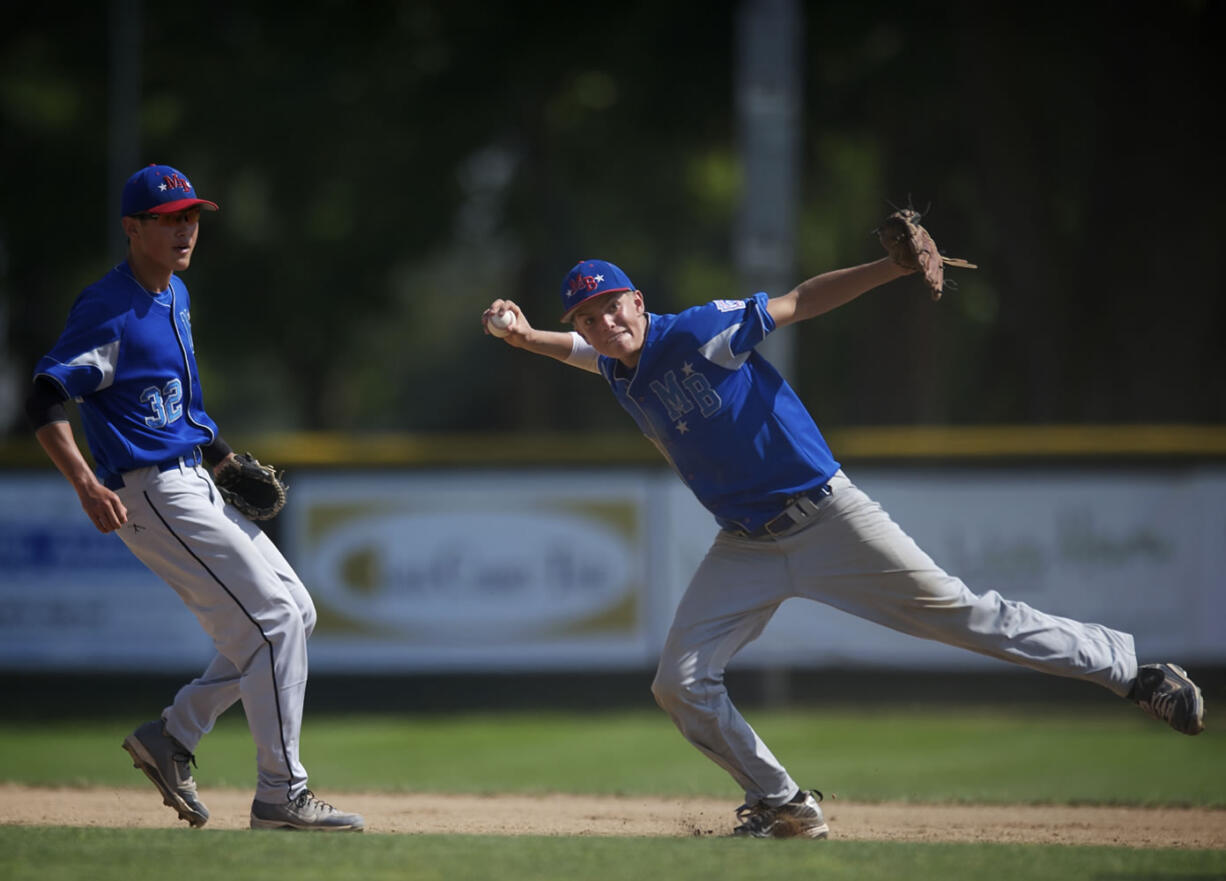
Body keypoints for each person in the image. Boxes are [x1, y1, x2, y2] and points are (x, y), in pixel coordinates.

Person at [481, 255, 1206, 840]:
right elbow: (579, 351)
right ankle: (784, 803)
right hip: (745, 546)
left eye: (613, 305)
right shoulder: (615, 363)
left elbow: (797, 299)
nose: (605, 322)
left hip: (829, 519)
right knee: (679, 681)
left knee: (962, 613)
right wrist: (523, 337)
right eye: (589, 315)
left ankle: (1132, 672)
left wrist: (891, 267)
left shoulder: (697, 331)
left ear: (639, 300)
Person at [25, 164, 364, 832]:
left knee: (297, 612)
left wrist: (224, 459)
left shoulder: (175, 295)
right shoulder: (108, 306)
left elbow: (180, 408)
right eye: (167, 218)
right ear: (132, 228)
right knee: (270, 623)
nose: (184, 229)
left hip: (191, 477)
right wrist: (85, 483)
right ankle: (280, 793)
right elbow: (43, 395)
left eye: (191, 217)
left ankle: (174, 734)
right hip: (149, 491)